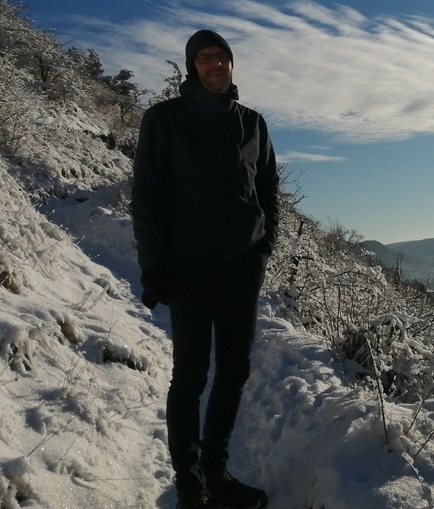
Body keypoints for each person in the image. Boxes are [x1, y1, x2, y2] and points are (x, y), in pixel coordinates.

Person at [132, 30, 278, 509]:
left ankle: (216, 472)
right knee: (191, 375)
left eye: (222, 57)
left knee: (233, 370)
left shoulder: (252, 123)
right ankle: (190, 484)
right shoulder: (164, 120)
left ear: (232, 65)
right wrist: (155, 263)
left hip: (241, 267)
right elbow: (147, 195)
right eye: (205, 58)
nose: (215, 64)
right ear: (192, 66)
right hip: (190, 266)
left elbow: (268, 190)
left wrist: (263, 246)